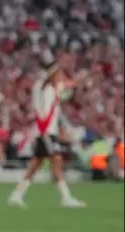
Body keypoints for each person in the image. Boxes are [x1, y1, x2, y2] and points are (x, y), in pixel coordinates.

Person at [8, 61, 87, 208]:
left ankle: (17, 194)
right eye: (59, 74)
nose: (61, 77)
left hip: (44, 132)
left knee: (36, 165)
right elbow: (43, 113)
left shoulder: (45, 87)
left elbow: (70, 84)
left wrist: (85, 76)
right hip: (46, 132)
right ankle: (66, 197)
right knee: (56, 162)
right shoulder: (45, 89)